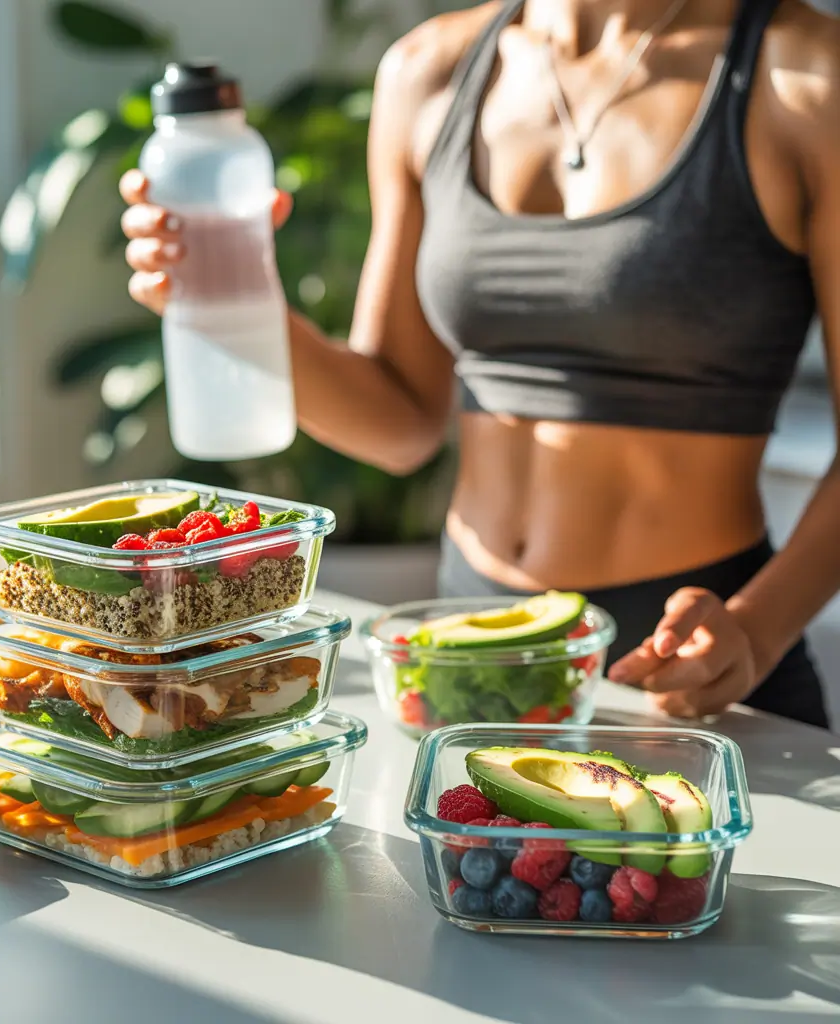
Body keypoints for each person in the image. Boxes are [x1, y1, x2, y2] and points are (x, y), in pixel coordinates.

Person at [119, 0, 840, 729]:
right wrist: (233, 302)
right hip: (461, 651)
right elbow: (398, 422)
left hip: (686, 663)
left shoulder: (806, 78)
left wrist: (755, 629)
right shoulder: (429, 71)